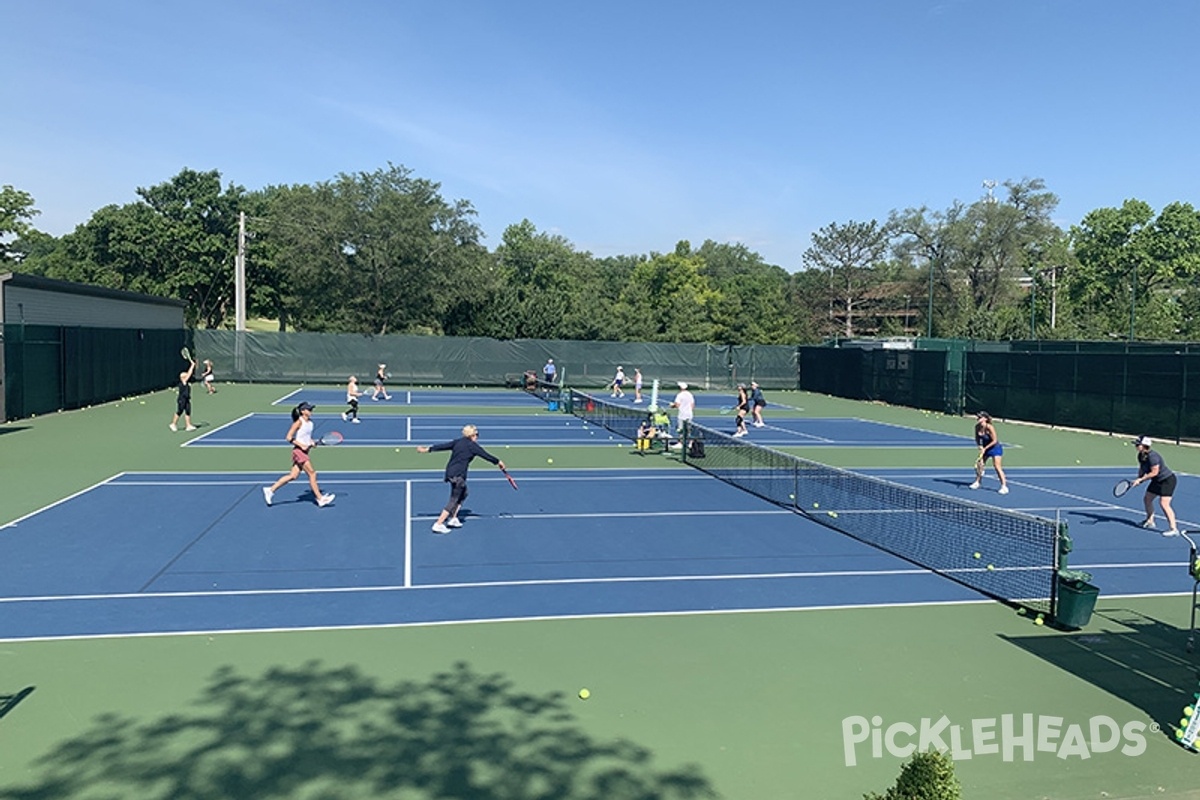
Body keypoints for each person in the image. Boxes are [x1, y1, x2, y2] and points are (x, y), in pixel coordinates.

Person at [417, 424, 506, 534]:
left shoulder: (458, 442)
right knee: (453, 499)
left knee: (464, 493)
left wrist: (427, 449)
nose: (477, 436)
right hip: (458, 475)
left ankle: (453, 518)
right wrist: (498, 462)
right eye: (476, 434)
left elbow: (442, 446)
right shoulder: (472, 446)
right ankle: (438, 524)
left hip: (451, 472)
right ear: (472, 435)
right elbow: (485, 455)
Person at [263, 401, 335, 507]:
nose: (311, 411)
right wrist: (301, 445)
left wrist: (311, 442)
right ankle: (320, 499)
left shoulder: (310, 423)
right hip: (299, 451)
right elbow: (288, 437)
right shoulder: (298, 422)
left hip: (305, 451)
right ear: (302, 411)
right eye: (309, 409)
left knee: (293, 476)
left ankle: (270, 490)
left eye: (311, 409)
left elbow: (306, 437)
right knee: (312, 473)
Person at [1131, 435, 1179, 537]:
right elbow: (1142, 469)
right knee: (1147, 499)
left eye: (1138, 445)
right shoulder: (1141, 455)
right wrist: (1138, 478)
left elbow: (1154, 472)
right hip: (1157, 481)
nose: (1136, 446)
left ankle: (1173, 529)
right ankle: (1150, 521)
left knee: (1164, 504)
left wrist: (1141, 480)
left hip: (1167, 480)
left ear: (1144, 446)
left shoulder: (1153, 457)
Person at [970, 411, 1009, 495]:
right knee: (980, 464)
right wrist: (980, 446)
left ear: (985, 419)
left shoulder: (990, 427)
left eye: (980, 417)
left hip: (995, 448)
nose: (978, 418)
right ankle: (977, 482)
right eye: (978, 417)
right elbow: (977, 438)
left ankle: (1004, 486)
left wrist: (985, 448)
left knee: (997, 466)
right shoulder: (977, 427)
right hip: (985, 448)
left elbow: (995, 440)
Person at [169, 357, 198, 432]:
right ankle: (173, 424)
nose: (186, 374)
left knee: (188, 411)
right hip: (182, 399)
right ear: (183, 377)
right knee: (180, 411)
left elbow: (189, 374)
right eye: (185, 374)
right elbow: (189, 373)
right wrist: (192, 365)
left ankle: (188, 425)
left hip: (187, 398)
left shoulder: (186, 382)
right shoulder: (183, 382)